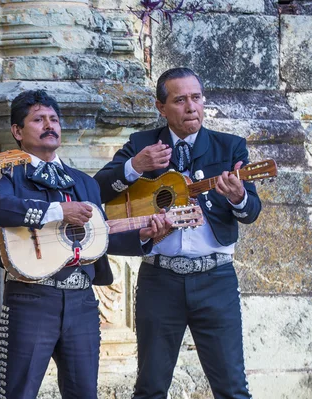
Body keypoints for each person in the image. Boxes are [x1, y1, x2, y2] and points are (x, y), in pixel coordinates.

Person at [0, 90, 172, 399]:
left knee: (85, 394)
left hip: (81, 303)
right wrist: (58, 211)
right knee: (17, 394)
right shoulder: (8, 173)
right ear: (17, 131)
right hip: (30, 300)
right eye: (38, 119)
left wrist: (144, 236)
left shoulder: (83, 182)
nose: (50, 125)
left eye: (54, 119)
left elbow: (98, 238)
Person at [94, 67, 261, 398]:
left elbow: (251, 212)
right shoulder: (141, 145)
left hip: (216, 279)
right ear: (161, 107)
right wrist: (134, 167)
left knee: (232, 388)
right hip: (160, 281)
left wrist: (238, 196)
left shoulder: (229, 148)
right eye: (180, 99)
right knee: (151, 387)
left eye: (196, 98)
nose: (191, 107)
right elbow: (97, 190)